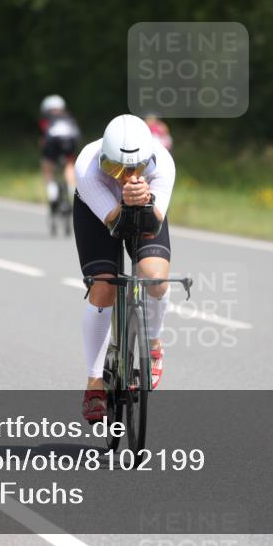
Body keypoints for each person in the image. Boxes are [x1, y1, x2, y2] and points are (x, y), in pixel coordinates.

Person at [73, 114, 176, 422]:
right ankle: (94, 383)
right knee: (103, 287)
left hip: (146, 209)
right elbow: (115, 223)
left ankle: (154, 341)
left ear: (150, 160)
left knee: (156, 279)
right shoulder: (87, 168)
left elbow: (152, 222)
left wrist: (143, 200)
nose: (126, 176)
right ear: (103, 159)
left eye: (136, 168)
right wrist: (126, 202)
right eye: (115, 169)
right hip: (99, 211)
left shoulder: (164, 165)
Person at [39, 94, 81, 213]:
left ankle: (52, 193)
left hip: (53, 144)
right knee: (69, 165)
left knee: (47, 167)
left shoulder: (46, 118)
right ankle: (71, 190)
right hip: (70, 142)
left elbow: (43, 139)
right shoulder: (69, 117)